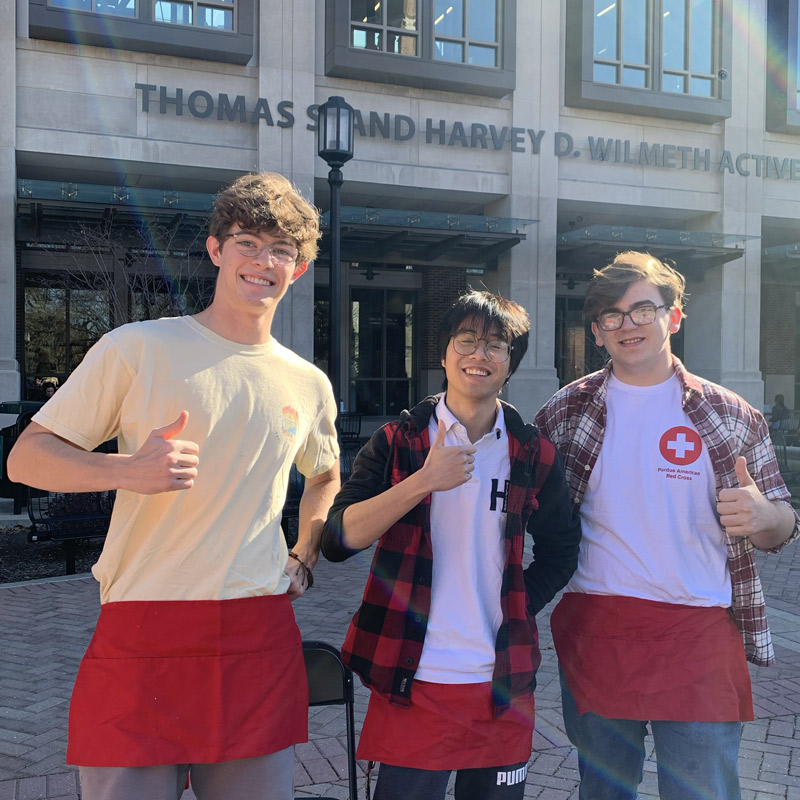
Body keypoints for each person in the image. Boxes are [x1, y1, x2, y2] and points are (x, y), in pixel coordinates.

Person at [7, 172, 341, 800]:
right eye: (247, 242)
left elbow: (324, 476)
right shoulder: (138, 347)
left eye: (281, 251)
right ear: (216, 249)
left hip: (256, 634)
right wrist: (126, 471)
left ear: (297, 270)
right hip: (142, 627)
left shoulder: (307, 382)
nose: (263, 262)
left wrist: (305, 553)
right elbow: (25, 458)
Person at [534, 251, 799, 800]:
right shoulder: (564, 413)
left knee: (702, 792)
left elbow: (782, 524)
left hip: (699, 632)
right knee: (604, 792)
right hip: (599, 630)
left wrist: (766, 516)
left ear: (674, 316)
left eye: (643, 310)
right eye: (612, 315)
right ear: (597, 330)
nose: (628, 325)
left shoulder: (731, 414)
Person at [321, 290, 581, 800]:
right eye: (466, 341)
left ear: (511, 364)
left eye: (495, 346)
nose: (478, 355)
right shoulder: (399, 441)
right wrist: (422, 481)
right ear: (442, 354)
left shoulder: (533, 453)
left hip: (501, 681)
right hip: (411, 676)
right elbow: (337, 539)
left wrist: (519, 604)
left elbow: (562, 549)